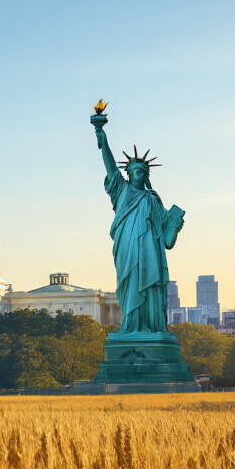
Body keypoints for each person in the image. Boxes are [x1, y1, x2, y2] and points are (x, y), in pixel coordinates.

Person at [94, 122, 185, 335]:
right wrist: (101, 135)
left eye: (142, 172)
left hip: (151, 253)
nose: (138, 175)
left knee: (151, 287)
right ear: (128, 173)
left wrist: (176, 226)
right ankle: (131, 327)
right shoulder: (120, 191)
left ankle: (151, 327)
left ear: (146, 175)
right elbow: (109, 165)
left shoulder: (153, 199)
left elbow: (167, 241)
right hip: (127, 250)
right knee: (131, 286)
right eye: (134, 171)